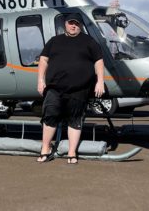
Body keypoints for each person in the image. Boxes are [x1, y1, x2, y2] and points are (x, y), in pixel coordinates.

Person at [36, 13, 105, 164]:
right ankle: (45, 149)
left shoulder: (89, 41)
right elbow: (43, 60)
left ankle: (72, 152)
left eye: (77, 24)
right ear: (65, 24)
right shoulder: (54, 41)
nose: (73, 26)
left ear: (80, 25)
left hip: (79, 89)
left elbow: (99, 61)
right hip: (55, 87)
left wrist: (100, 81)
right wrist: (40, 80)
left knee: (75, 120)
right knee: (50, 116)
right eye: (71, 23)